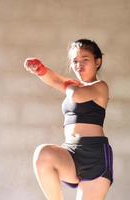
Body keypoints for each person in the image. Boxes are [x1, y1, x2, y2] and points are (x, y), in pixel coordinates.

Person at [24, 39, 113, 200]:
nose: (79, 65)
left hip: (95, 157)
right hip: (71, 152)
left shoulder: (100, 86)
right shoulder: (73, 85)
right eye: (75, 61)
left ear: (98, 62)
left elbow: (76, 95)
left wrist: (69, 85)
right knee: (43, 154)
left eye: (85, 60)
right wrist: (40, 69)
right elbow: (54, 80)